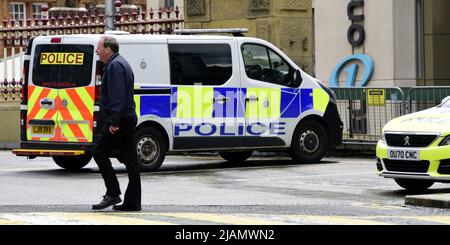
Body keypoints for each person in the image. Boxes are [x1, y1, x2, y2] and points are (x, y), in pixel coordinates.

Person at [92, 36, 141, 211]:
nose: (97, 51)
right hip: (127, 117)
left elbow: (117, 96)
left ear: (108, 49)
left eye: (99, 48)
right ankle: (133, 202)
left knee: (99, 152)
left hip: (120, 119)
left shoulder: (114, 66)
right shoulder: (121, 63)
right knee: (131, 162)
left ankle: (113, 193)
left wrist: (113, 122)